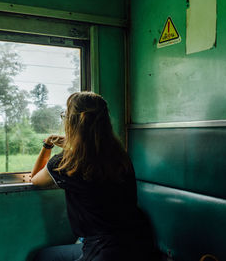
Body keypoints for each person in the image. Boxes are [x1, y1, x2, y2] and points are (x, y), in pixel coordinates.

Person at [30, 92, 155, 261]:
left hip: (102, 250)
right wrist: (73, 144)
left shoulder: (66, 163)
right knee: (45, 256)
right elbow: (94, 151)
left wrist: (47, 145)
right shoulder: (119, 156)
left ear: (72, 122)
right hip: (137, 243)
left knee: (42, 257)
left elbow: (35, 178)